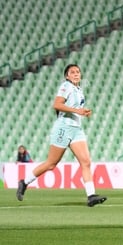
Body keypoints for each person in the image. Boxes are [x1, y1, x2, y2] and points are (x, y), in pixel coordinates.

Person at [16, 64, 107, 207]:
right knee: (51, 164)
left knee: (86, 162)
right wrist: (77, 111)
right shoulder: (66, 86)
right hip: (64, 128)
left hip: (76, 129)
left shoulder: (78, 90)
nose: (76, 74)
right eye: (72, 72)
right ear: (67, 76)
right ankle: (24, 182)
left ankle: (91, 196)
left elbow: (73, 108)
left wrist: (83, 111)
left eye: (78, 72)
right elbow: (57, 104)